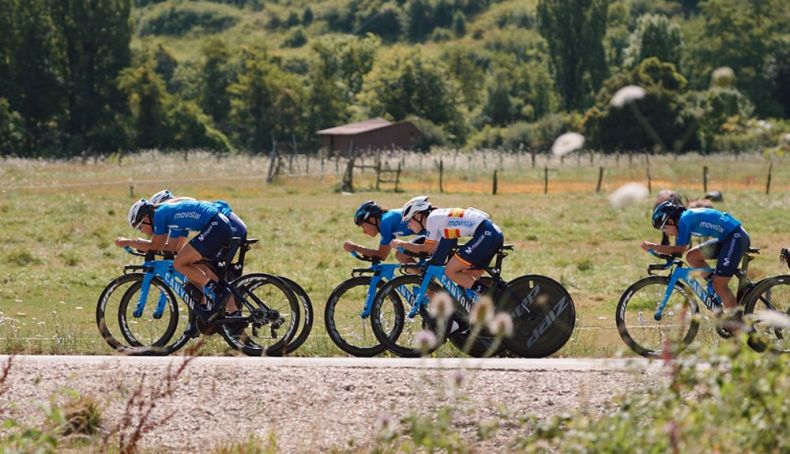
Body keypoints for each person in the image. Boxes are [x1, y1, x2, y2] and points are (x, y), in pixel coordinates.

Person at [116, 198, 235, 323]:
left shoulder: (160, 215)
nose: (141, 231)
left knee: (179, 264)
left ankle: (217, 290)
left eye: (140, 227)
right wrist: (143, 247)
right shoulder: (173, 218)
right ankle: (203, 314)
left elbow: (155, 246)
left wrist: (129, 242)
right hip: (220, 225)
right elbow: (172, 248)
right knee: (189, 265)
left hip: (216, 226)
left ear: (146, 218)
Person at [641, 201, 750, 313]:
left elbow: (679, 250)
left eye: (664, 228)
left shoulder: (684, 220)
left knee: (720, 285)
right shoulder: (684, 220)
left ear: (670, 221)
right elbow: (680, 251)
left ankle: (737, 323)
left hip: (736, 238)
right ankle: (712, 281)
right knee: (692, 256)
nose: (666, 233)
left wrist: (653, 246)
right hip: (728, 238)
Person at [390, 196, 504, 304]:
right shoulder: (438, 217)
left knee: (450, 271)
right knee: (464, 280)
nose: (408, 225)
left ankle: (490, 295)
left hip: (486, 234)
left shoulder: (432, 219)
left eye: (409, 221)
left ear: (418, 216)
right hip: (493, 233)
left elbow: (427, 248)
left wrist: (402, 244)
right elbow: (439, 248)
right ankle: (475, 311)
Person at [342, 200, 424, 264]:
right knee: (401, 255)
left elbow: (381, 255)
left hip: (432, 233)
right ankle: (428, 283)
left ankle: (427, 283)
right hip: (430, 233)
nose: (364, 231)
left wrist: (355, 247)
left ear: (372, 220)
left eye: (363, 226)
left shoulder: (385, 222)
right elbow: (382, 255)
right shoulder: (386, 220)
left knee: (401, 256)